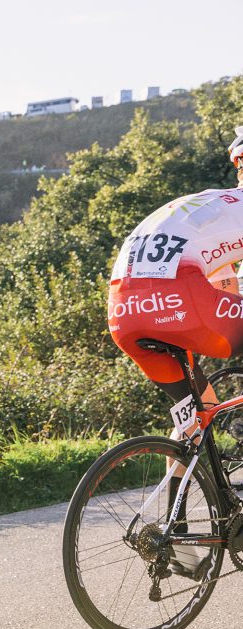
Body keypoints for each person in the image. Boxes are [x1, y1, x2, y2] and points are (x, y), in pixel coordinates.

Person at [105, 132, 243, 577]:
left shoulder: (210, 204)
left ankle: (176, 534)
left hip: (125, 309)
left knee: (195, 415)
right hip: (179, 297)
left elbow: (222, 279)